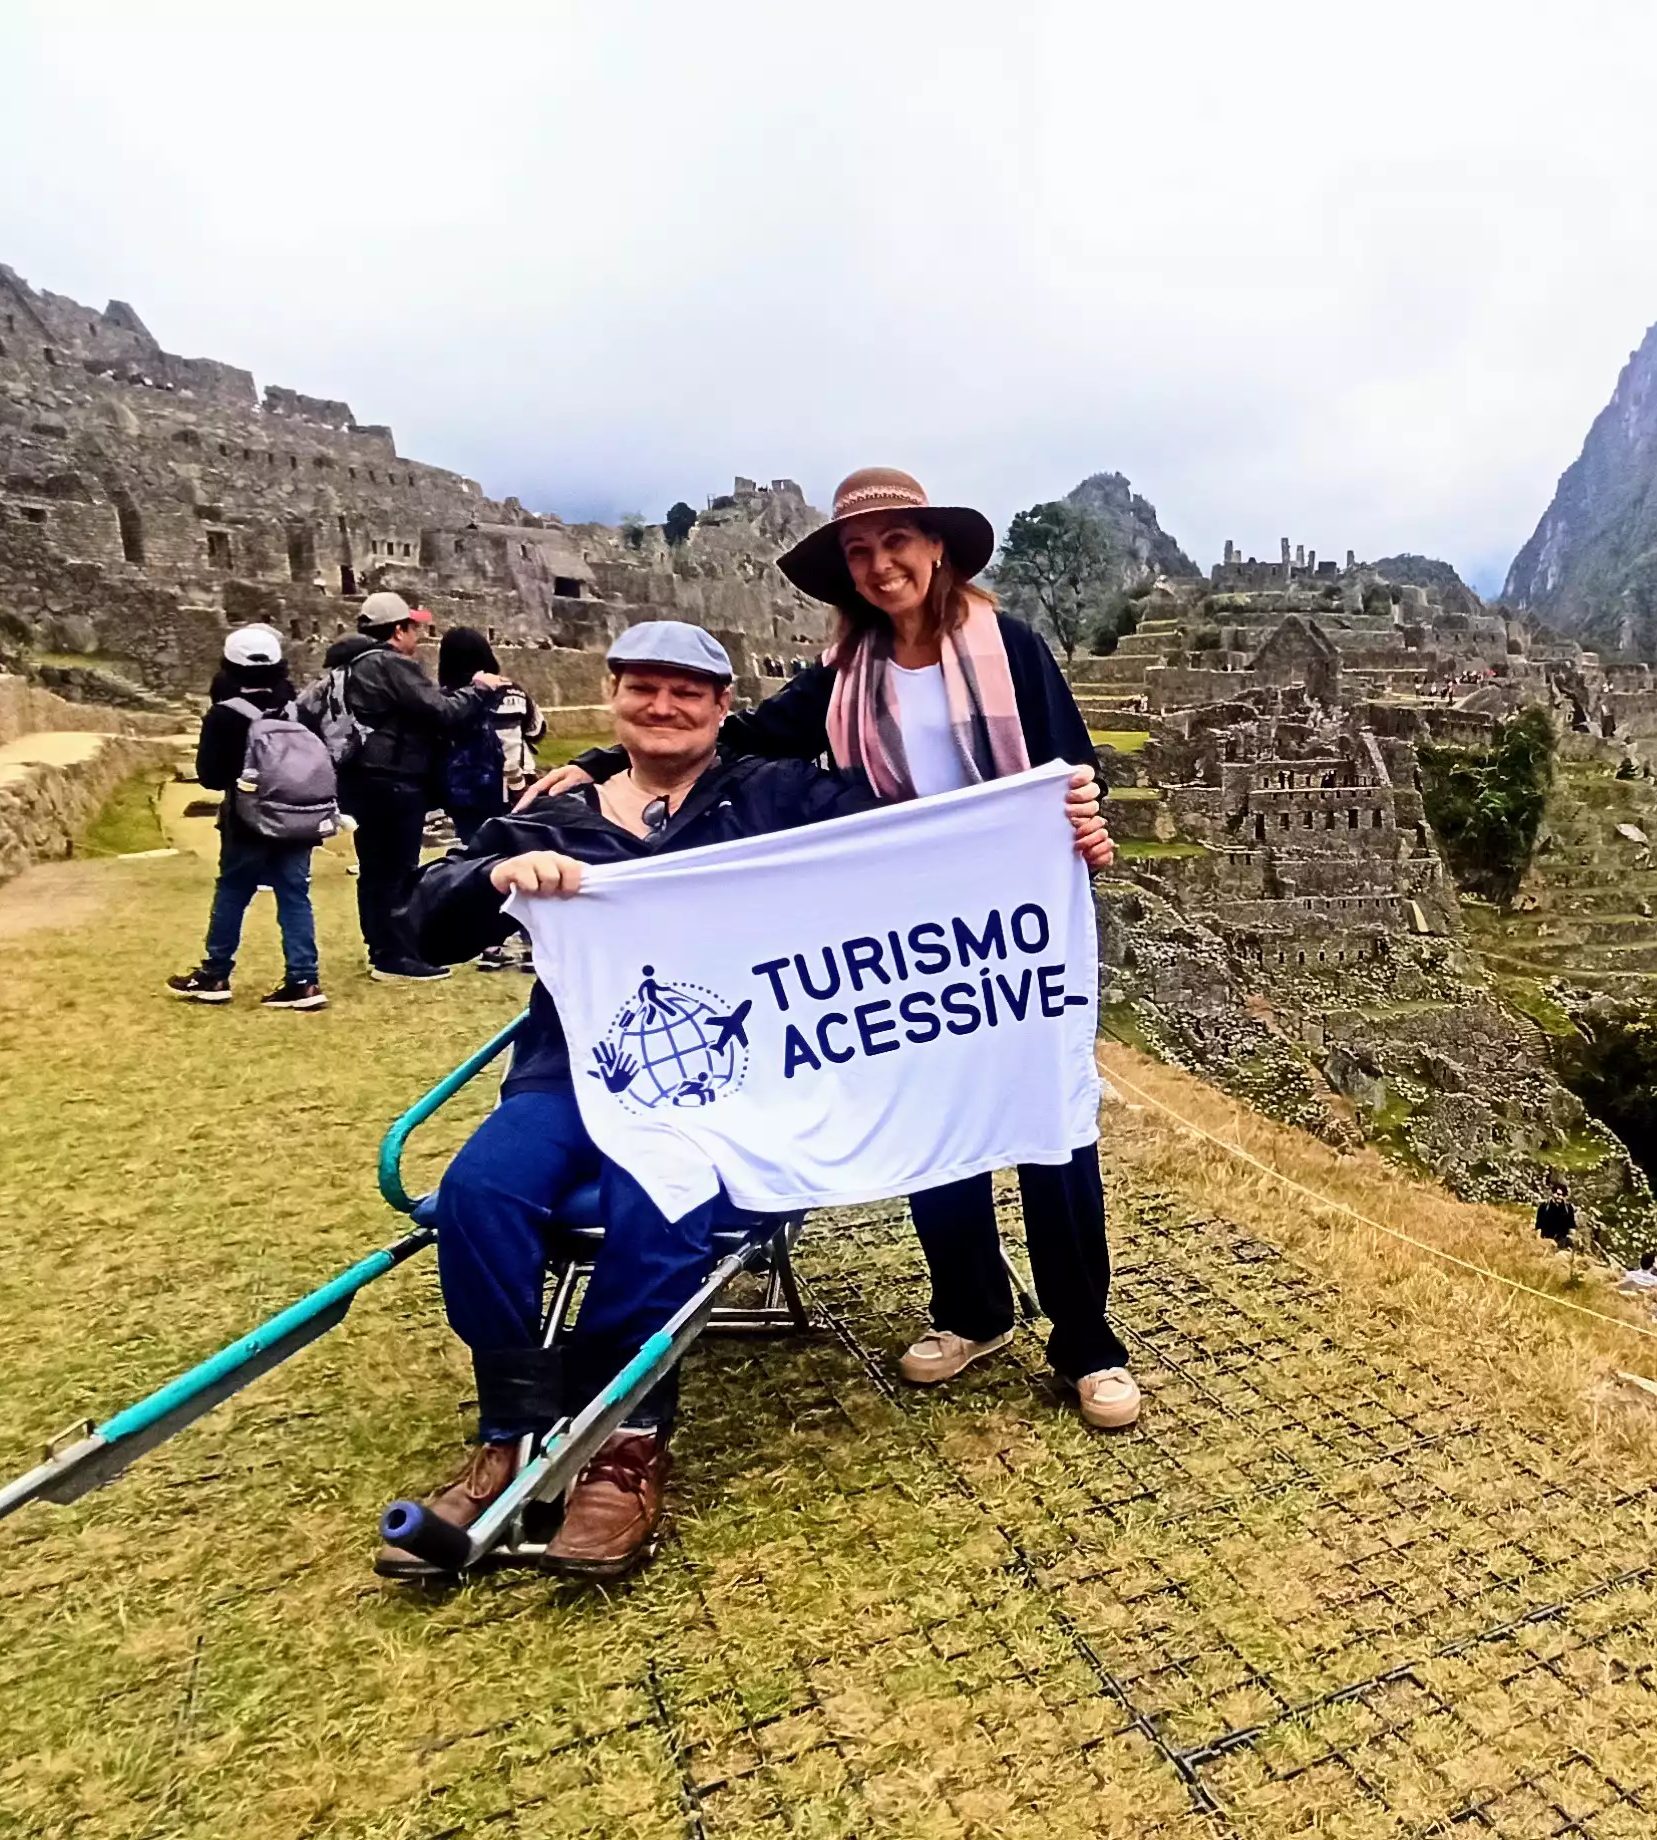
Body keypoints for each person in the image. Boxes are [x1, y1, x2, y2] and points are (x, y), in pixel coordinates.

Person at [388, 619, 1111, 1579]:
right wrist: (493, 875)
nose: (664, 706)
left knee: (663, 1196)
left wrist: (1040, 829)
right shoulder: (553, 816)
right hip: (573, 1076)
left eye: (687, 691)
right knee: (482, 1191)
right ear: (614, 694)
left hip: (722, 1087)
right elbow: (427, 914)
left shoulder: (774, 798)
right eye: (644, 688)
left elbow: (907, 844)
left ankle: (623, 1440)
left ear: (721, 707)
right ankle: (511, 1427)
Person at [526, 466, 1135, 1429]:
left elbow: (1070, 764)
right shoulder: (845, 677)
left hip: (1012, 919)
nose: (881, 563)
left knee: (1049, 1116)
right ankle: (974, 1308)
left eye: (897, 543)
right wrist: (604, 760)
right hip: (901, 925)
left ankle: (1087, 1342)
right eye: (860, 551)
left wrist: (1086, 818)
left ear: (936, 549)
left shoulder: (1008, 647)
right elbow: (742, 737)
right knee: (935, 1117)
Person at [325, 591, 498, 983]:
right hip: (395, 780)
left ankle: (381, 947)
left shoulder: (349, 665)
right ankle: (397, 955)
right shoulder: (390, 665)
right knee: (399, 869)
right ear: (397, 630)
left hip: (361, 779)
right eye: (413, 627)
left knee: (374, 870)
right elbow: (443, 712)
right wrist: (479, 689)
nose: (417, 636)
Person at [168, 623, 327, 1010]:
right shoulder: (294, 710)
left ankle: (215, 973)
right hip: (295, 816)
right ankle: (304, 979)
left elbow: (210, 776)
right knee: (294, 894)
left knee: (234, 891)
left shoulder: (225, 716)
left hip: (247, 819)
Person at [434, 628, 548, 971]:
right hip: (516, 789)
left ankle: (491, 945)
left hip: (468, 790)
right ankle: (532, 944)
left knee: (479, 864)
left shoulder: (447, 698)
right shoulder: (510, 690)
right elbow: (536, 730)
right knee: (526, 861)